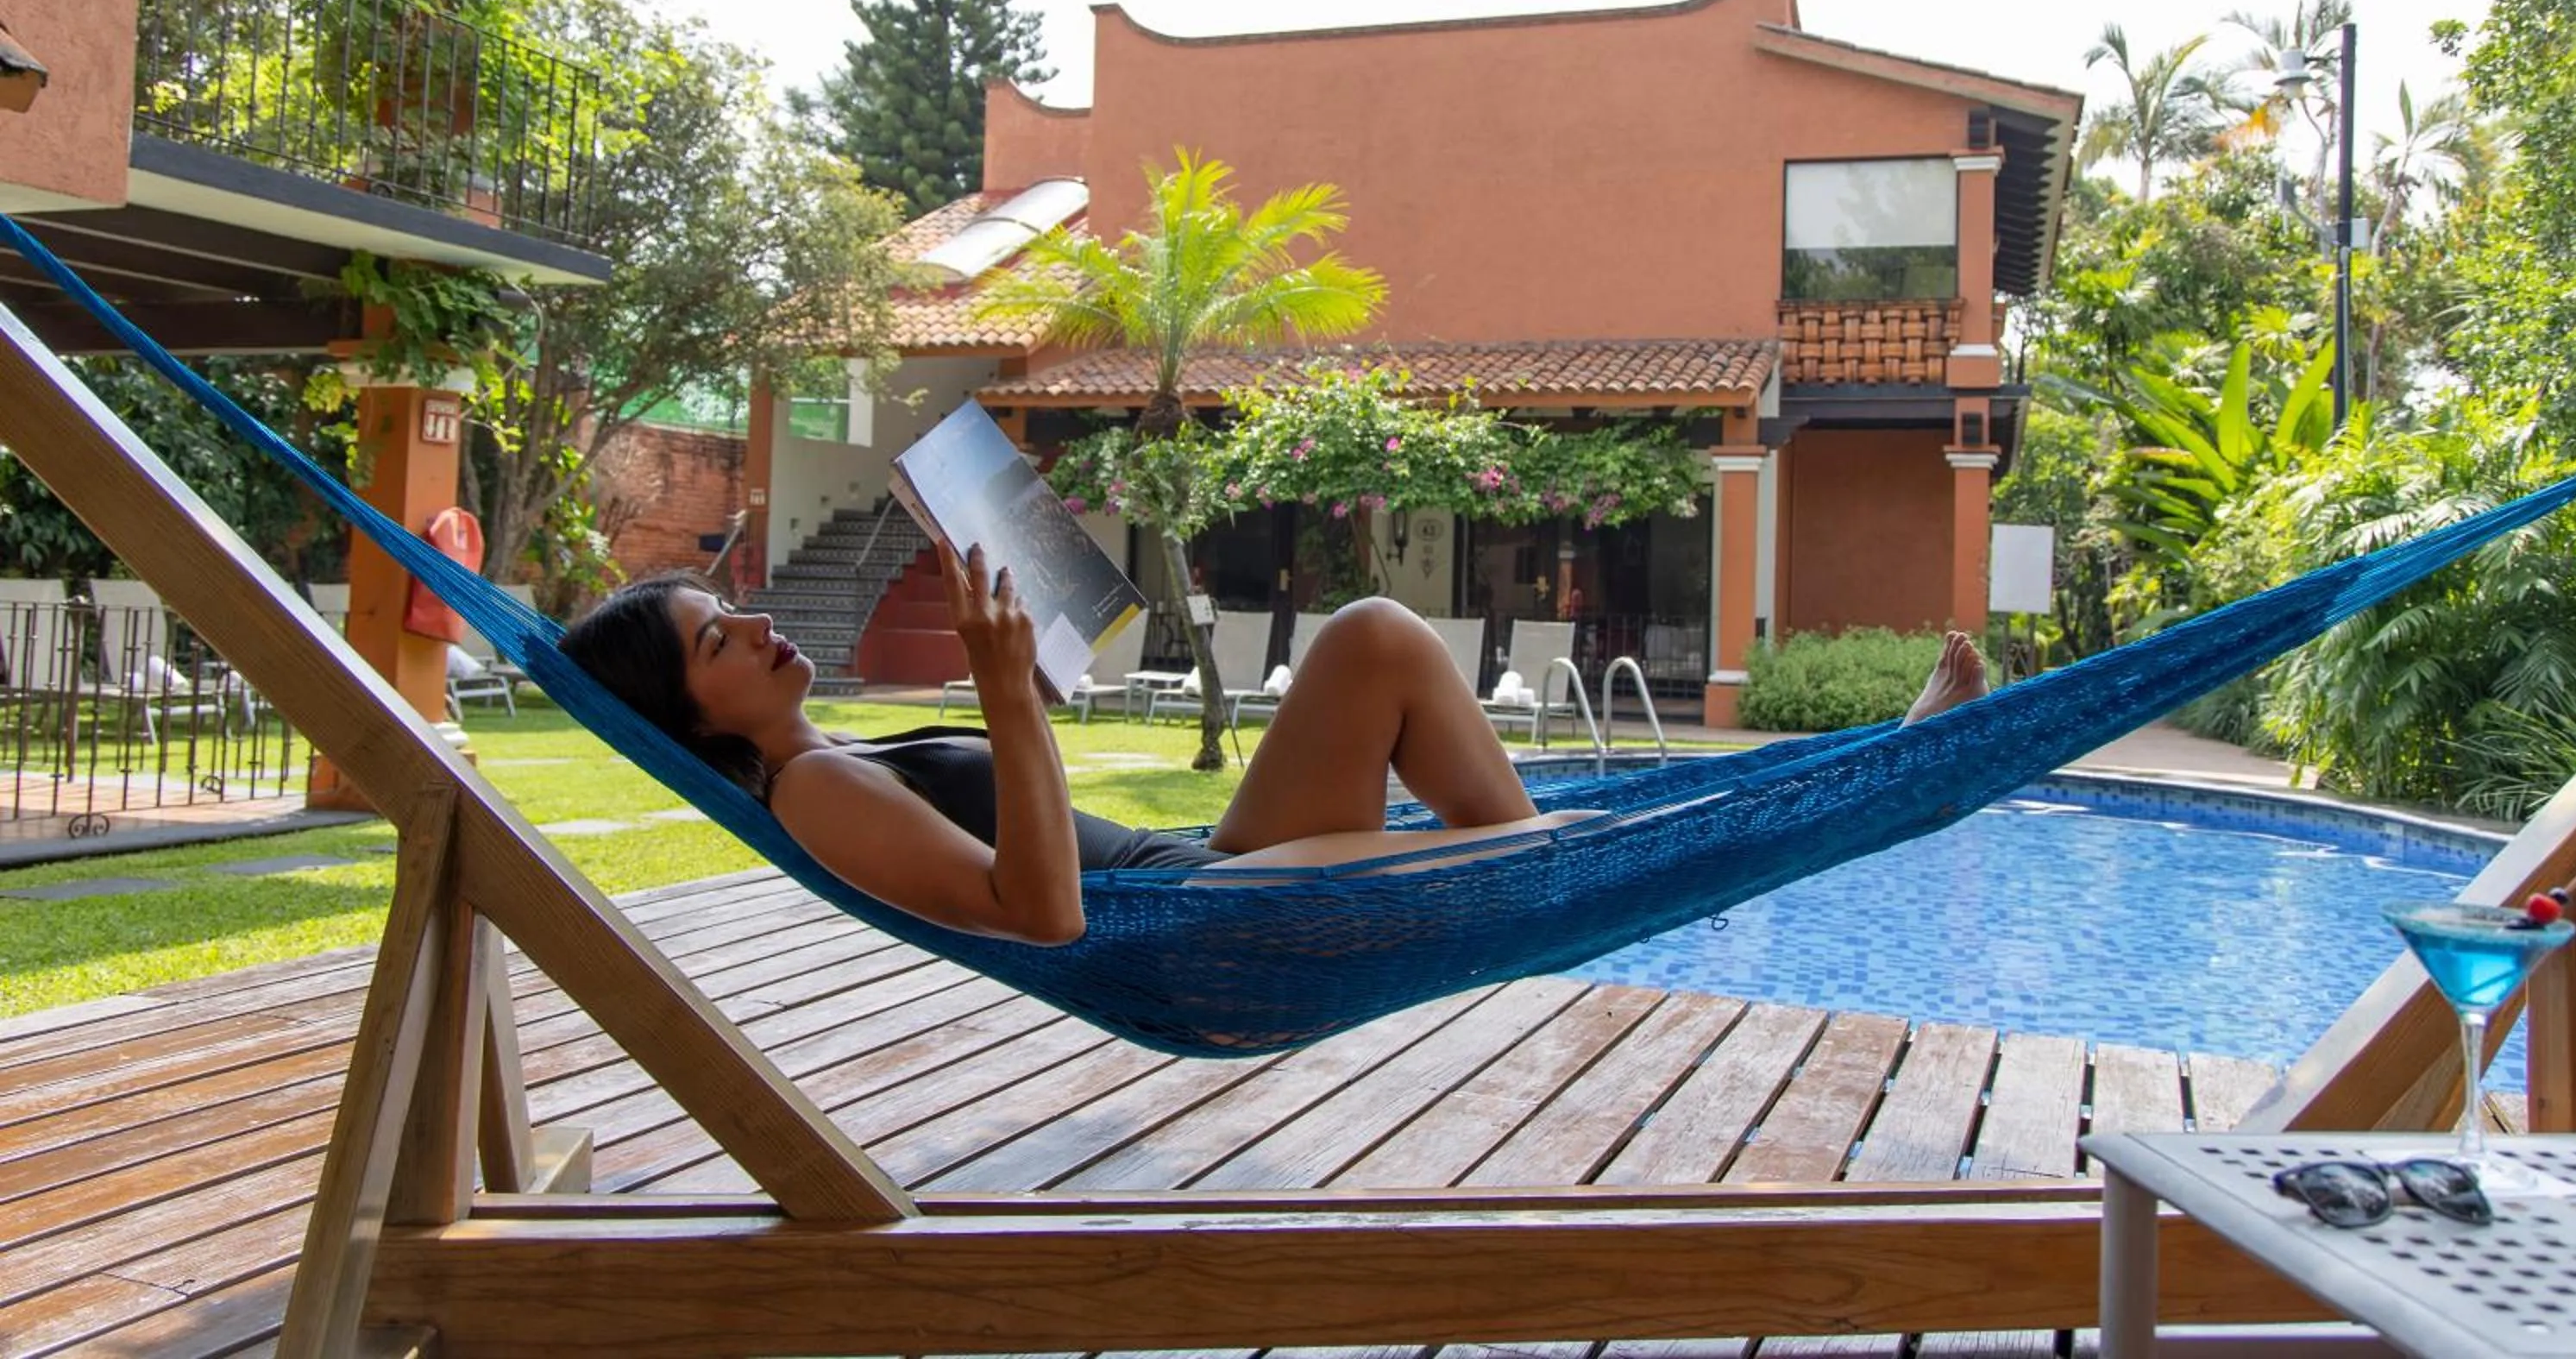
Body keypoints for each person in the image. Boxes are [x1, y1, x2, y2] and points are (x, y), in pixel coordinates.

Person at [560, 543, 1990, 947]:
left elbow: (1024, 842)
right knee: (1382, 646)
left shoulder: (836, 756)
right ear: (691, 719)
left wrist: (1023, 695)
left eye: (734, 607)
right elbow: (1045, 916)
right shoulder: (813, 792)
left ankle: (1878, 764)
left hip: (1205, 875)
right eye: (713, 641)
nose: (751, 623)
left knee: (1376, 643)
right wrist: (1006, 697)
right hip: (1194, 915)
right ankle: (1893, 769)